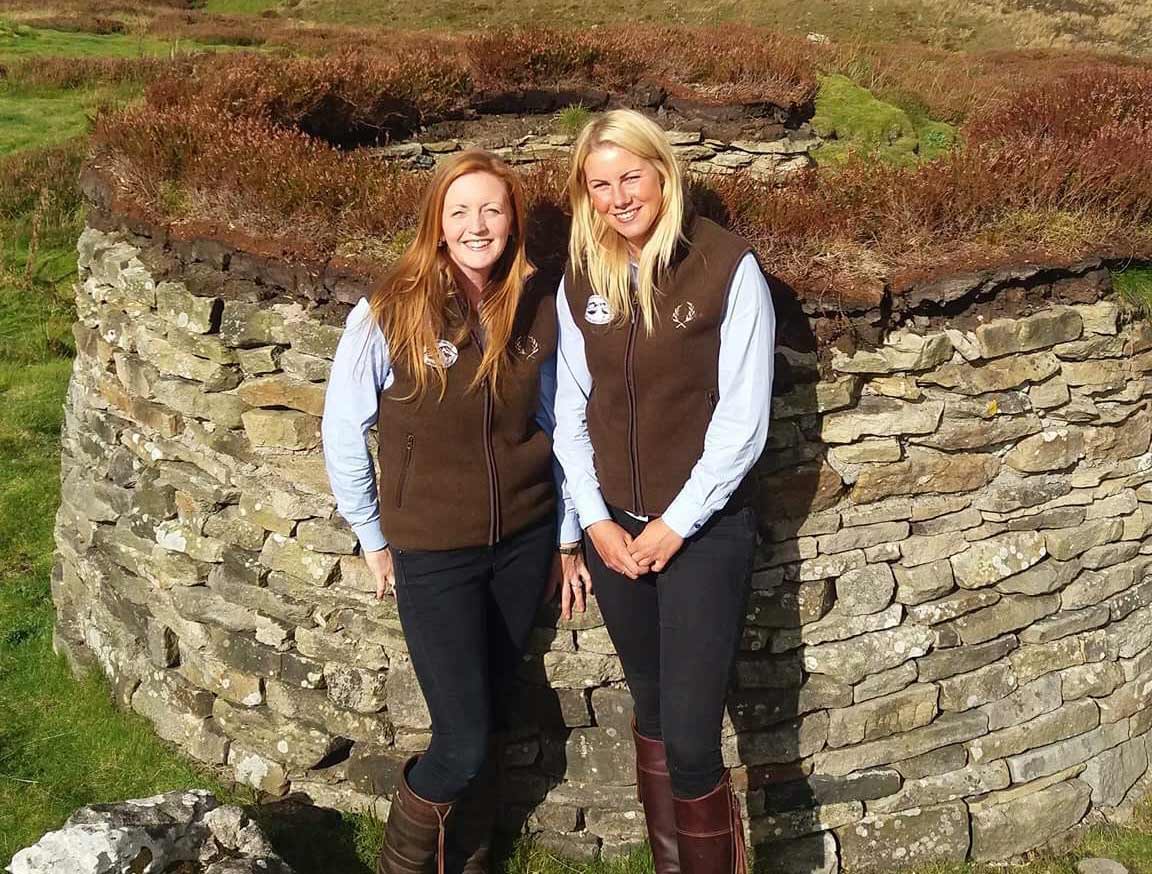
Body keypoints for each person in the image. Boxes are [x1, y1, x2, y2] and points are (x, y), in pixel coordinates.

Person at [322, 150, 590, 874]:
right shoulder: (388, 311)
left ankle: (468, 862)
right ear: (437, 222)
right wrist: (373, 535)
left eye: (493, 210)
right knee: (462, 740)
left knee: (494, 721)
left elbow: (559, 423)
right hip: (434, 552)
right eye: (461, 211)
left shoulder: (536, 303)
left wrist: (565, 536)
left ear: (513, 220)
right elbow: (343, 429)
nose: (478, 226)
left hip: (522, 543)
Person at [554, 110, 776, 874]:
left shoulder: (727, 266)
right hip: (615, 529)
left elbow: (744, 423)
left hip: (703, 533)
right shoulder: (581, 273)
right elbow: (569, 408)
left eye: (630, 177)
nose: (618, 197)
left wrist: (677, 524)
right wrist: (594, 521)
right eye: (600, 184)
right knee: (649, 714)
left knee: (688, 738)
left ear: (663, 171)